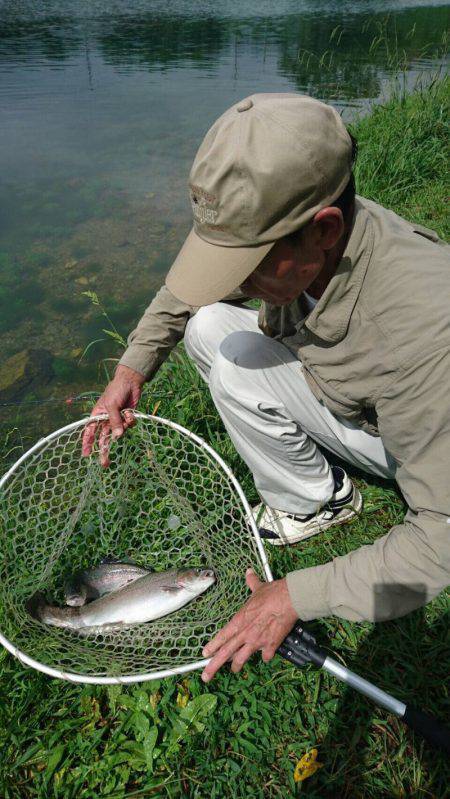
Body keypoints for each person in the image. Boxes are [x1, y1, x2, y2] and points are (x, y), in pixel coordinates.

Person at [82, 93, 450, 683]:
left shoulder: (425, 334)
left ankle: (320, 505)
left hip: (411, 440)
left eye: (246, 264)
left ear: (323, 230)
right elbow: (186, 295)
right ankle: (310, 492)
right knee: (206, 325)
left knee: (228, 356)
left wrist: (293, 596)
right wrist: (132, 369)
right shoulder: (304, 217)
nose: (232, 283)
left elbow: (441, 536)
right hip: (351, 393)